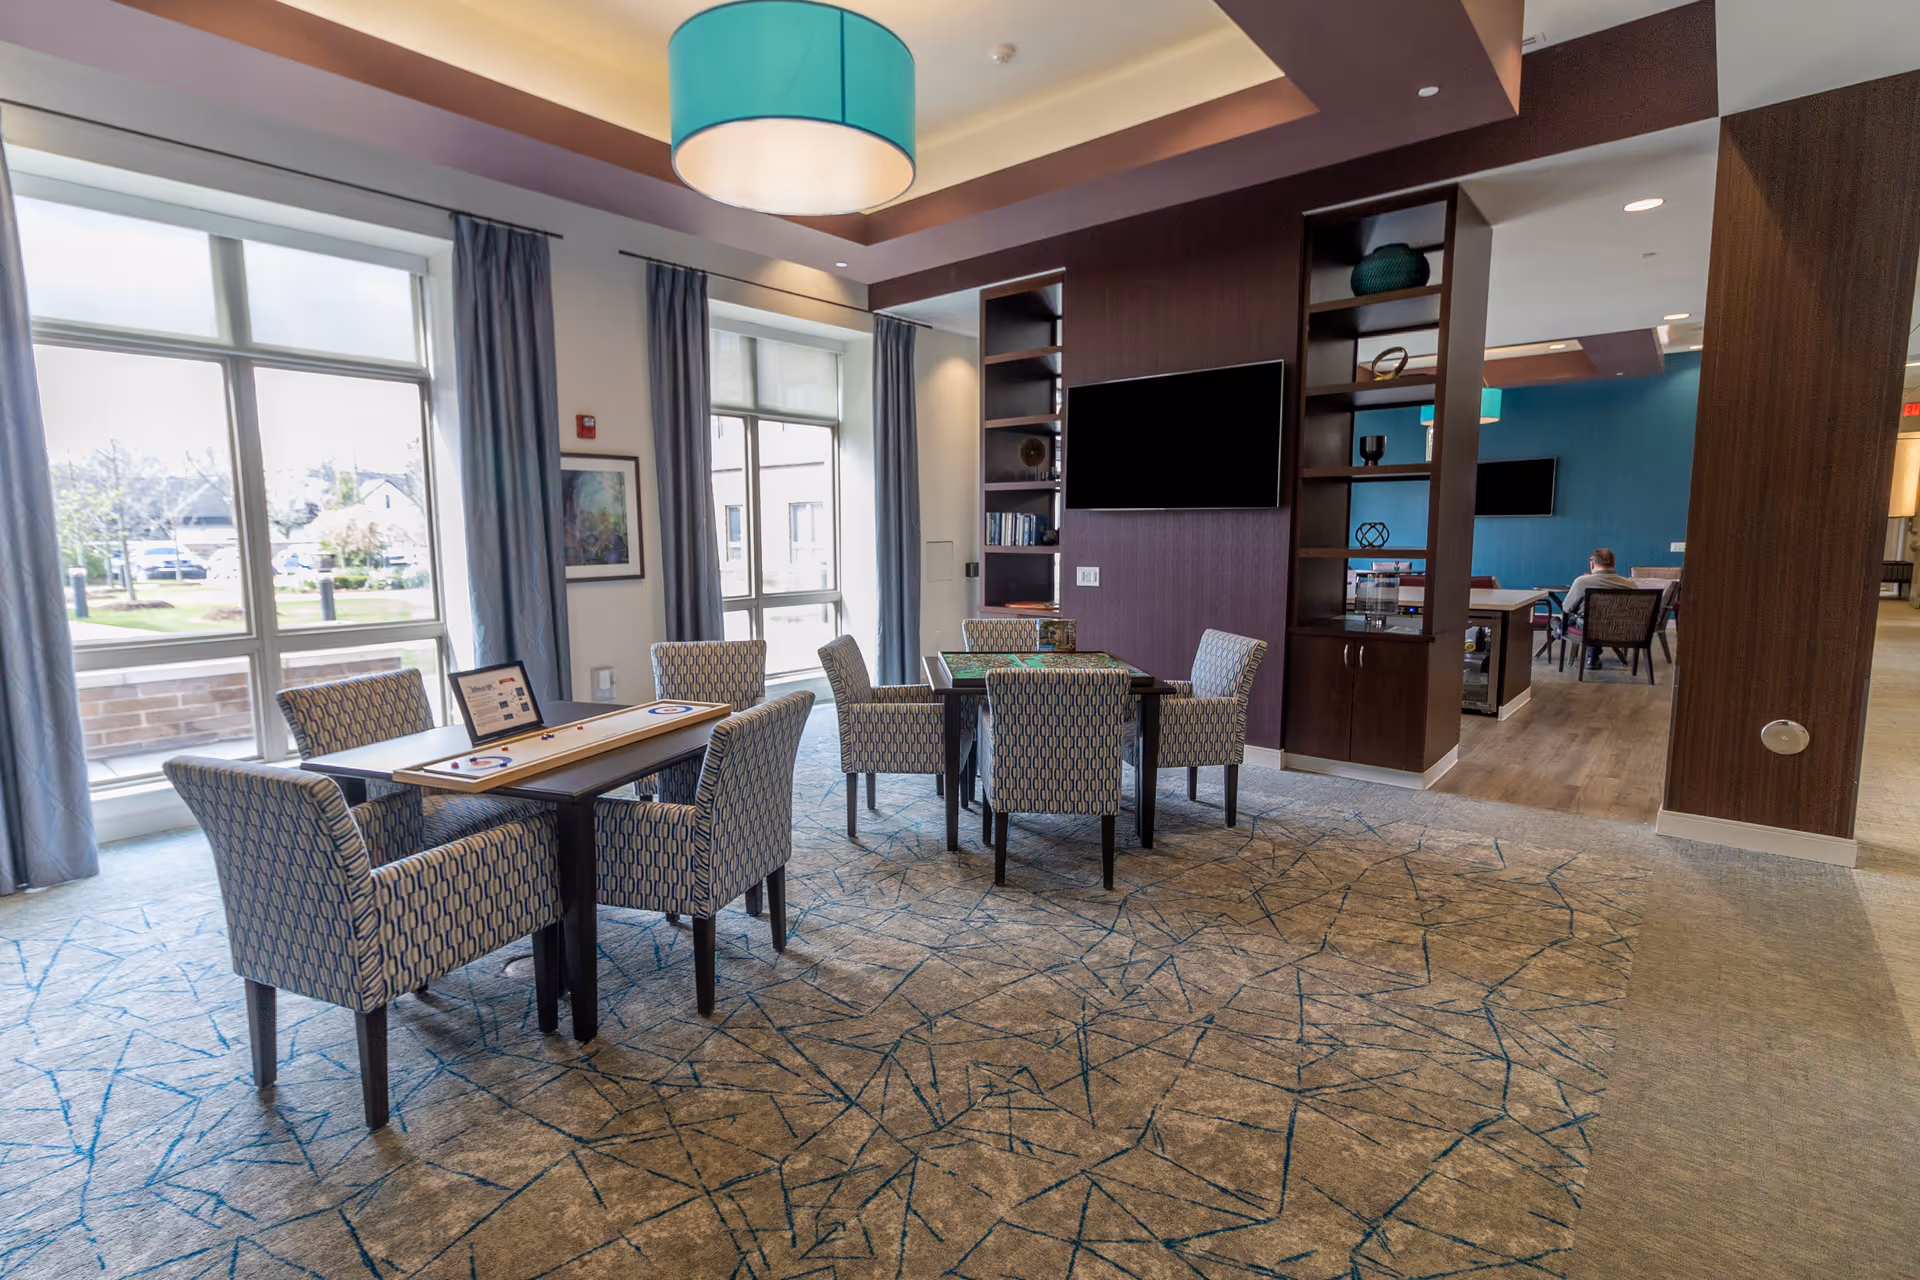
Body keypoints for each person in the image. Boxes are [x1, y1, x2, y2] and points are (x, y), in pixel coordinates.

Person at [1559, 548, 1636, 668]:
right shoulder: (1629, 584)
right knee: (1589, 620)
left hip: (1589, 627)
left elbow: (1566, 608)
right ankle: (1593, 657)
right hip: (1619, 628)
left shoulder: (1582, 581)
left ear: (1592, 564)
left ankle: (1558, 627)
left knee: (1578, 620)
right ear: (1614, 564)